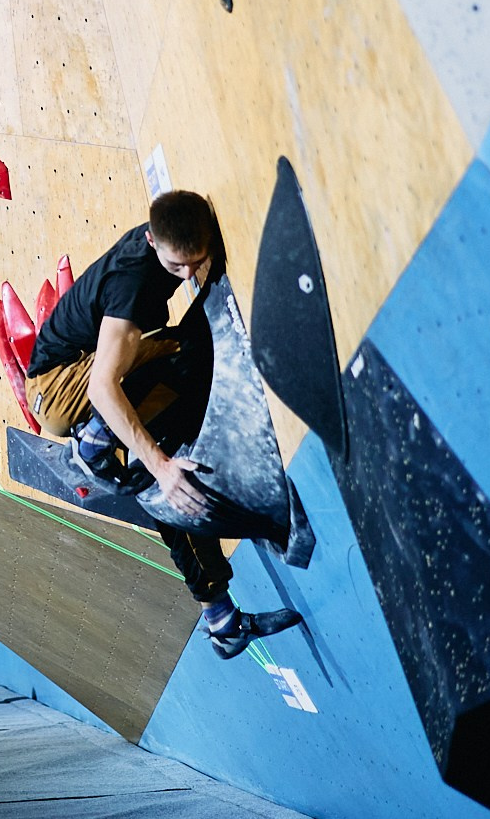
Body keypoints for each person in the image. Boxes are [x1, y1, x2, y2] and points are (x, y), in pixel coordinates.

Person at [25, 189, 302, 660]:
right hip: (62, 389)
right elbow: (101, 389)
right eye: (177, 268)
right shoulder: (131, 288)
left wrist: (165, 468)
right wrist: (158, 464)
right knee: (183, 372)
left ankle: (222, 621)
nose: (188, 274)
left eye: (196, 262)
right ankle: (96, 441)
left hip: (93, 370)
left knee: (174, 470)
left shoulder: (177, 238)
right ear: (152, 241)